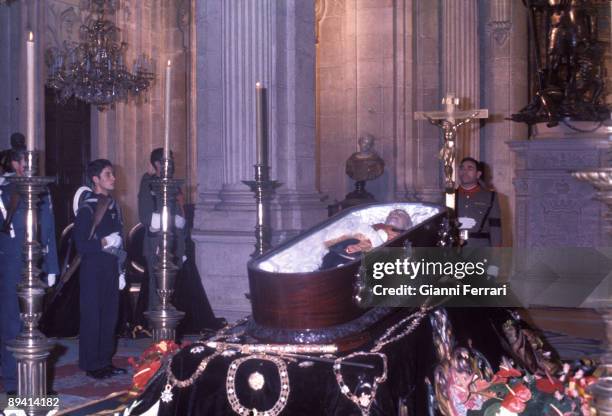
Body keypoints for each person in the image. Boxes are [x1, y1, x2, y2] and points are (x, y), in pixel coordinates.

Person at [0, 141, 59, 393]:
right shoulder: (5, 190)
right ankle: (14, 383)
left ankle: (35, 382)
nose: (27, 164)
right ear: (14, 163)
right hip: (12, 262)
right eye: (22, 159)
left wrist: (53, 266)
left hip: (37, 263)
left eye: (29, 158)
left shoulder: (42, 190)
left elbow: (49, 229)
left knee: (34, 321)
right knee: (13, 321)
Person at [74, 159, 126, 379]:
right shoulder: (87, 208)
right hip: (92, 269)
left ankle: (105, 361)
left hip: (111, 268)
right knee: (92, 317)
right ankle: (91, 364)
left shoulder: (114, 206)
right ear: (96, 179)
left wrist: (121, 270)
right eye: (108, 174)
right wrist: (104, 242)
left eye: (112, 174)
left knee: (109, 317)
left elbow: (121, 240)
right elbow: (81, 246)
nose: (113, 178)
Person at [138, 148, 186, 315]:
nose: (171, 166)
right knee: (157, 284)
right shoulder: (149, 182)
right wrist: (172, 220)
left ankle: (170, 323)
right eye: (167, 162)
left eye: (172, 162)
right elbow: (146, 216)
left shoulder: (172, 184)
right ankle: (156, 325)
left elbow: (180, 215)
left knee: (172, 284)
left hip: (174, 240)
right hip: (155, 242)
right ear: (157, 164)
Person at [320, 209, 412, 269]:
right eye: (391, 214)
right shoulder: (371, 228)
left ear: (408, 225)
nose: (394, 214)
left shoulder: (407, 239)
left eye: (400, 214)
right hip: (339, 255)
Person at [456, 157, 501, 247]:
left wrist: (497, 253)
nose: (465, 171)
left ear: (478, 174)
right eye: (462, 168)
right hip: (454, 248)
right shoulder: (449, 196)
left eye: (470, 168)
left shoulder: (490, 197)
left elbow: (495, 227)